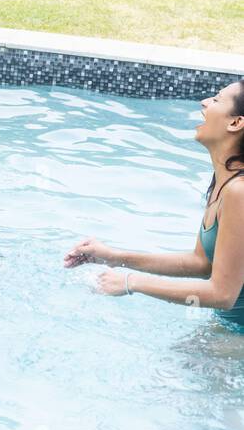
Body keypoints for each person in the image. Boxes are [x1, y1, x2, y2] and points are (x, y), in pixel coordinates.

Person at [65, 80, 244, 328]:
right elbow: (202, 264)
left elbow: (223, 295)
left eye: (216, 100)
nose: (205, 102)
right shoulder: (223, 182)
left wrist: (131, 283)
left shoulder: (239, 191)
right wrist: (114, 256)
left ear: (236, 123)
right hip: (228, 329)